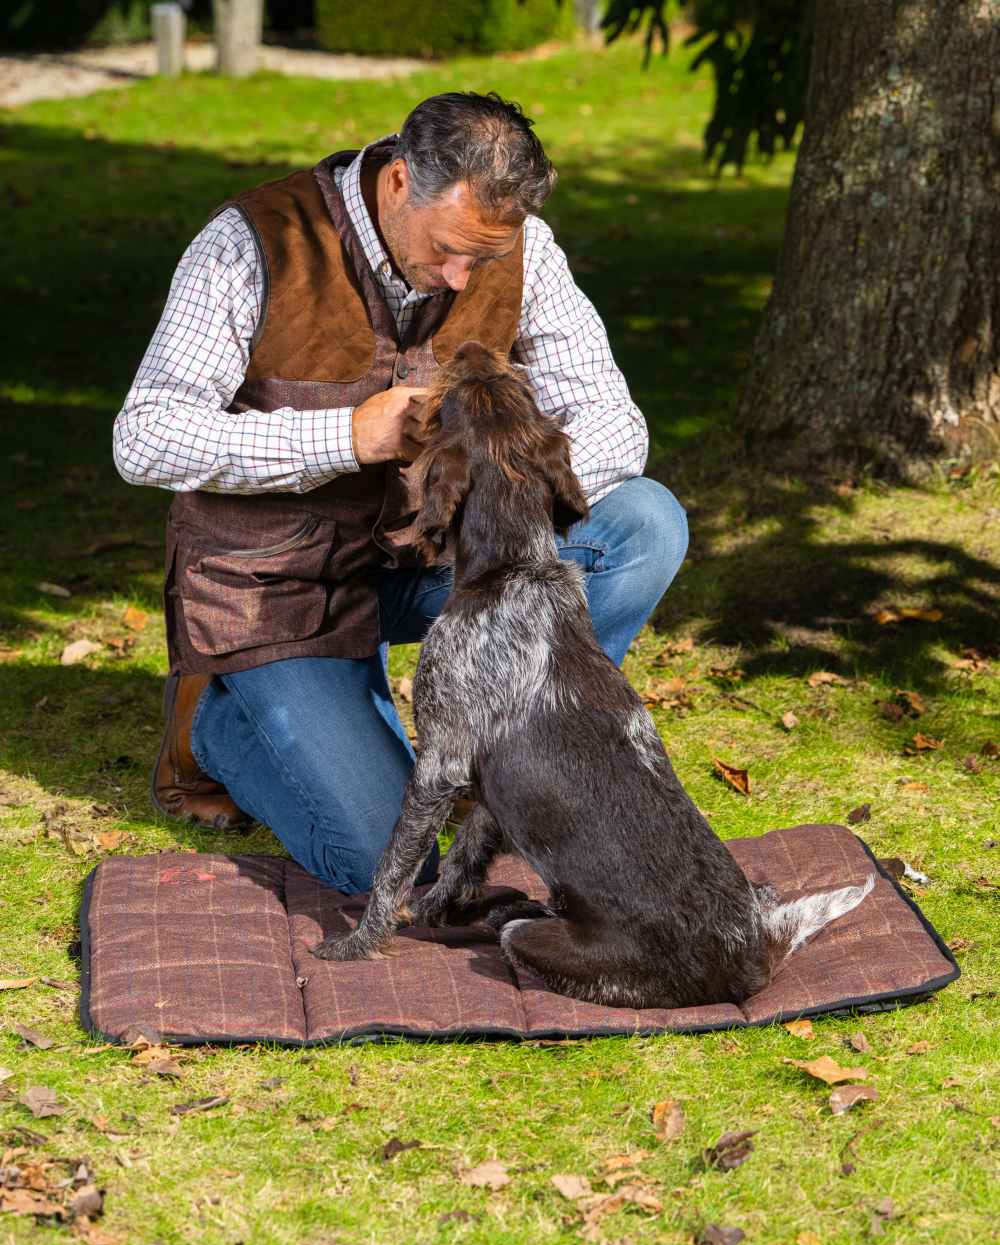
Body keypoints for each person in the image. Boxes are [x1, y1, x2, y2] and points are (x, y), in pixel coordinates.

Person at [113, 91, 688, 895]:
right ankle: (214, 723)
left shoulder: (521, 248)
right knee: (401, 870)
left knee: (644, 525)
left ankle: (513, 760)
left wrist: (493, 481)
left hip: (429, 566)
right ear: (395, 184)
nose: (462, 277)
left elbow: (614, 422)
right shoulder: (250, 243)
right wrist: (350, 437)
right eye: (451, 248)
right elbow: (143, 437)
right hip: (278, 590)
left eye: (481, 260)